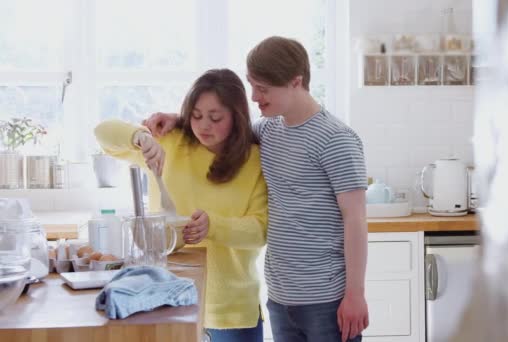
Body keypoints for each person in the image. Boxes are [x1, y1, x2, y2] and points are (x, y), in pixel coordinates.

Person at [144, 36, 369, 342]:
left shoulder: (336, 140)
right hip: (279, 297)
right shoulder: (268, 131)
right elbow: (224, 129)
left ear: (296, 82)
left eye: (262, 88)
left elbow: (355, 220)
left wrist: (355, 294)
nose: (254, 97)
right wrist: (180, 119)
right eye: (251, 85)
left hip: (325, 298)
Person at [94, 69, 268, 342]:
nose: (203, 126)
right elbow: (102, 133)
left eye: (215, 117)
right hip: (166, 299)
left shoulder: (254, 160)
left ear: (237, 116)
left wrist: (213, 226)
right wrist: (140, 136)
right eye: (196, 116)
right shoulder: (170, 143)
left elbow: (260, 229)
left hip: (231, 310)